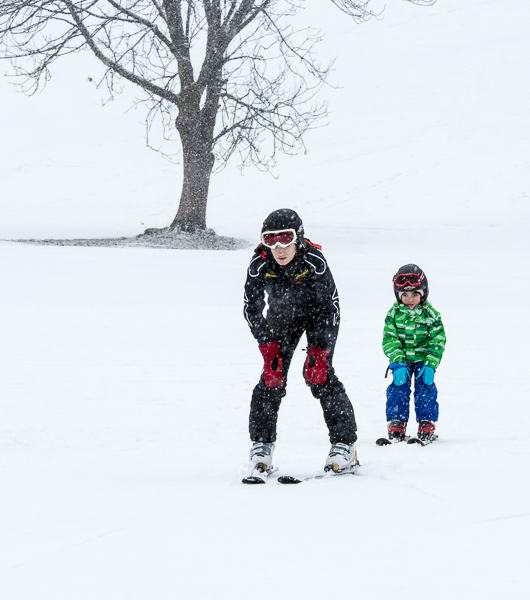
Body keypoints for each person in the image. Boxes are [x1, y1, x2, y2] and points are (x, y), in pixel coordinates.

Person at [243, 209, 358, 476]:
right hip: (282, 316)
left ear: (299, 238)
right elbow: (252, 308)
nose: (279, 249)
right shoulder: (259, 263)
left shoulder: (315, 260)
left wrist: (321, 349)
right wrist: (265, 342)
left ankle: (344, 445)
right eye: (271, 241)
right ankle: (261, 445)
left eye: (286, 239)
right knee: (272, 376)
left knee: (318, 373)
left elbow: (331, 306)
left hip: (319, 315)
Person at [382, 264, 447, 442]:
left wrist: (431, 364)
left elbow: (437, 340)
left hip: (423, 362)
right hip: (402, 361)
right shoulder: (393, 314)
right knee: (398, 388)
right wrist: (396, 360)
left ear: (423, 294)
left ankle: (427, 422)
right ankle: (397, 422)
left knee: (425, 389)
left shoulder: (431, 314)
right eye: (405, 295)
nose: (410, 299)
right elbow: (390, 338)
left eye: (415, 294)